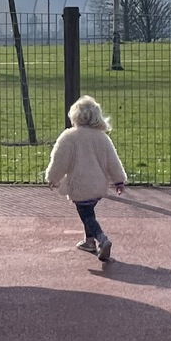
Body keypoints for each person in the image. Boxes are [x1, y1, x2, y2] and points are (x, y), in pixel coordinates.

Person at [44, 94, 128, 262]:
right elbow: (113, 160)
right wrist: (119, 180)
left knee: (86, 214)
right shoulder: (102, 138)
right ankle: (89, 241)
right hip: (98, 185)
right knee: (88, 211)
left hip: (80, 184)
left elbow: (59, 160)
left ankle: (101, 239)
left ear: (74, 115)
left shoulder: (69, 137)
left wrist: (52, 177)